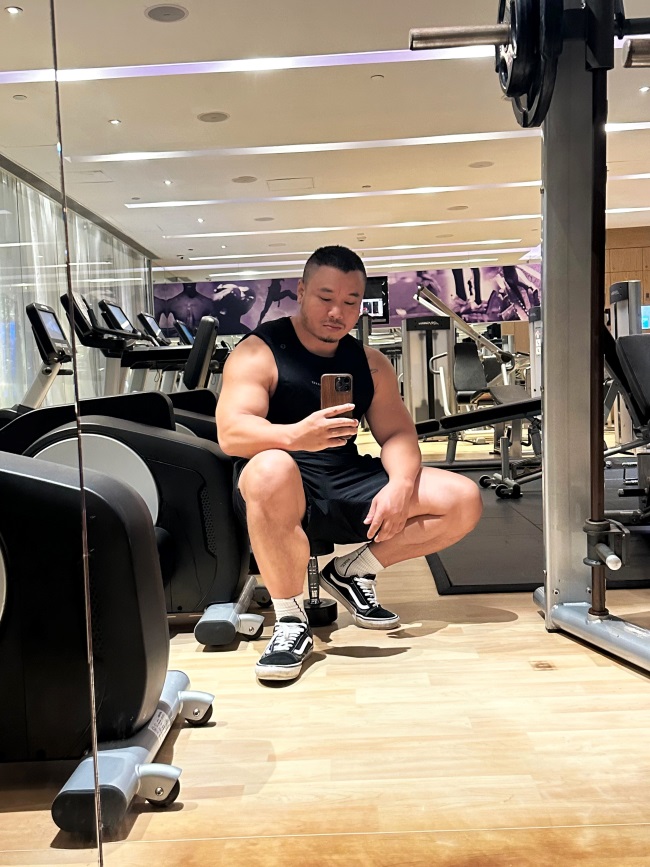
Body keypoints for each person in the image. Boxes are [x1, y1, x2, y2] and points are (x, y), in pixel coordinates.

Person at [216, 246, 483, 684]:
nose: (337, 312)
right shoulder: (258, 352)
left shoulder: (369, 363)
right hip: (279, 488)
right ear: (301, 292)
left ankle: (354, 571)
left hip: (345, 477)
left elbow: (397, 435)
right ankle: (290, 622)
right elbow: (231, 433)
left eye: (350, 301)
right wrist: (294, 436)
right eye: (325, 298)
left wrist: (400, 485)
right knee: (270, 467)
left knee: (463, 499)